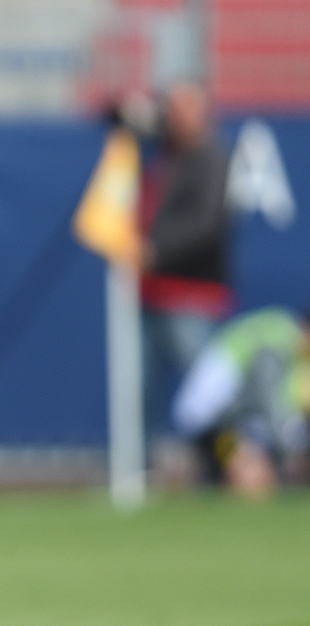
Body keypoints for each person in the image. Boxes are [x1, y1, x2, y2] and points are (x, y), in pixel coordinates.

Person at [136, 81, 234, 448]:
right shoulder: (159, 151)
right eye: (171, 109)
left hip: (191, 292)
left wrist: (155, 250)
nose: (177, 117)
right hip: (147, 291)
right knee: (138, 386)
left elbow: (205, 223)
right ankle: (136, 468)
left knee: (206, 387)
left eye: (185, 107)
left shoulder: (212, 157)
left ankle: (229, 462)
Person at [172, 306, 310, 497]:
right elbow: (263, 401)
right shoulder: (277, 340)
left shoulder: (297, 357)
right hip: (213, 426)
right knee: (252, 478)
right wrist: (288, 450)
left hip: (235, 423)